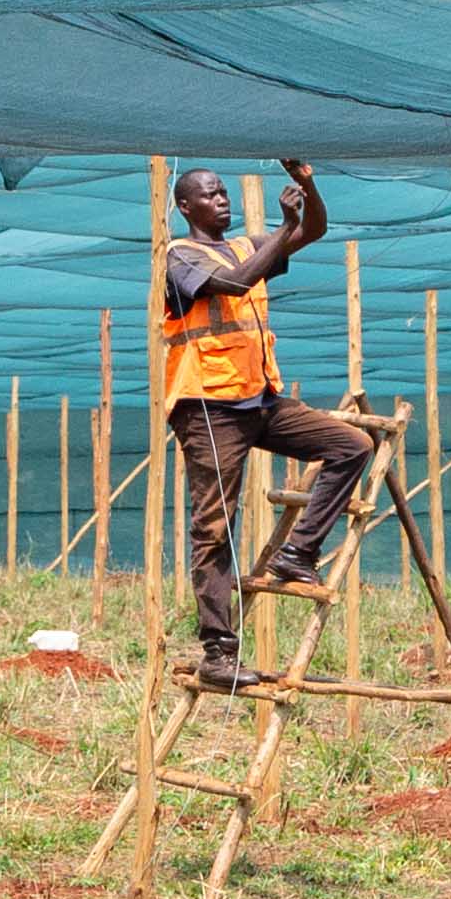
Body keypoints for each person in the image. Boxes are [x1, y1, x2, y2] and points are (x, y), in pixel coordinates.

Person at [155, 158, 374, 689]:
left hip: (257, 400)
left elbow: (314, 229)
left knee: (351, 445)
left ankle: (298, 553)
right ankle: (218, 652)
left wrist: (306, 187)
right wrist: (282, 229)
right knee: (215, 527)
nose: (222, 200)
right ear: (186, 206)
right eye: (211, 195)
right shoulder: (179, 257)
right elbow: (233, 284)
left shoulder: (244, 244)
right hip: (208, 406)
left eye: (225, 192)